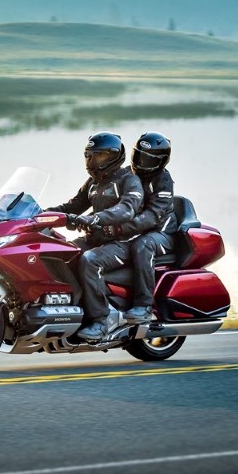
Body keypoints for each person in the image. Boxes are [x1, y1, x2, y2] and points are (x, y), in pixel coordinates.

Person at [46, 132, 144, 342]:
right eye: (89, 156)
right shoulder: (92, 182)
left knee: (90, 261)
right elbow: (71, 206)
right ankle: (71, 312)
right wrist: (39, 213)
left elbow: (126, 210)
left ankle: (101, 321)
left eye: (99, 156)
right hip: (96, 239)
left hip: (122, 242)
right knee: (63, 253)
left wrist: (95, 219)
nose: (92, 161)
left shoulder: (130, 180)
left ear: (114, 156)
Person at [106, 131, 177, 325]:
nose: (141, 162)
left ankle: (144, 305)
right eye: (138, 155)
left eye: (147, 159)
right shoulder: (128, 174)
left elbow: (152, 216)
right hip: (138, 230)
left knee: (142, 245)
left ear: (161, 161)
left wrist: (121, 228)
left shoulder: (163, 180)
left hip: (162, 233)